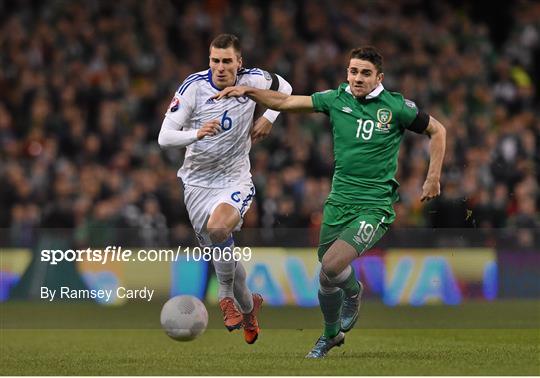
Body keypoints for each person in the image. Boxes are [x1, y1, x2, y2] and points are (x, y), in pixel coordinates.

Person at [214, 46, 446, 357]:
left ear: (379, 76)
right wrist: (248, 91)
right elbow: (284, 101)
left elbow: (438, 130)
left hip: (374, 205)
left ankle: (353, 292)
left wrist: (432, 177)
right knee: (326, 274)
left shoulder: (396, 107)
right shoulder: (336, 99)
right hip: (339, 201)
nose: (357, 78)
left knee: (332, 264)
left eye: (365, 73)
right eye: (353, 71)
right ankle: (331, 334)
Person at [158, 34, 292, 344]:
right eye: (215, 61)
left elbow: (285, 88)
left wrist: (270, 117)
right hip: (196, 184)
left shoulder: (255, 79)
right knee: (226, 254)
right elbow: (165, 137)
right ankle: (249, 309)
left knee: (219, 229)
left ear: (239, 62)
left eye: (227, 61)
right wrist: (196, 133)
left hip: (235, 179)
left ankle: (225, 297)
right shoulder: (193, 87)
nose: (220, 67)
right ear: (209, 61)